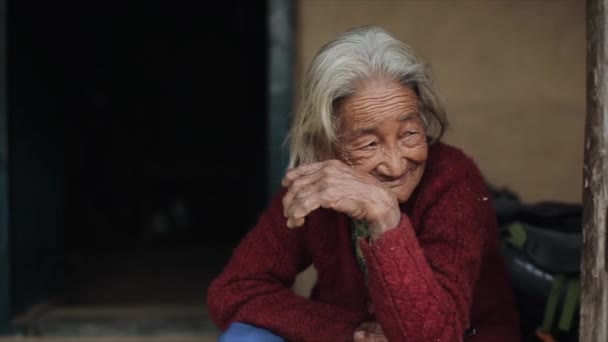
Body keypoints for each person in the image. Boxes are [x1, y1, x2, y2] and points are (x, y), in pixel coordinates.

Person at [207, 25, 520, 341]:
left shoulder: (453, 181)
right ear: (328, 144)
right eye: (369, 144)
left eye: (409, 134)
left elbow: (435, 336)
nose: (396, 164)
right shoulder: (318, 182)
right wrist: (349, 332)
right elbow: (235, 290)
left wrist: (384, 216)